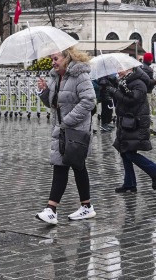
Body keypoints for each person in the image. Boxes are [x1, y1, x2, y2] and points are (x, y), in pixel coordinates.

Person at [36, 46, 96, 225]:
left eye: (56, 59)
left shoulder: (80, 75)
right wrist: (44, 92)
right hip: (61, 130)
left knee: (62, 165)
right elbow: (54, 104)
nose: (53, 62)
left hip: (75, 130)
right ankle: (86, 206)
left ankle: (51, 209)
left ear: (67, 58)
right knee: (76, 166)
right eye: (52, 59)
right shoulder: (56, 77)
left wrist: (68, 120)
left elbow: (89, 101)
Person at [102, 67, 156, 194]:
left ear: (129, 68)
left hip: (136, 123)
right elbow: (122, 98)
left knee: (129, 152)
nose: (118, 71)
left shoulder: (139, 82)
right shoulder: (125, 81)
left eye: (121, 68)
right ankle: (129, 184)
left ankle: (155, 170)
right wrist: (111, 86)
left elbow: (132, 100)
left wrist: (115, 92)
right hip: (126, 122)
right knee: (124, 151)